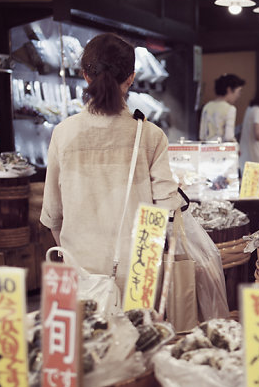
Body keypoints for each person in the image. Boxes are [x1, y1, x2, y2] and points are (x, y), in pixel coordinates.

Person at [41, 32, 180, 290]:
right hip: (140, 270)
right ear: (131, 78)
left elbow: (52, 214)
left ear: (85, 75)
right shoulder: (150, 135)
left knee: (88, 330)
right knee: (142, 330)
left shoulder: (63, 133)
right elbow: (166, 209)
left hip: (80, 270)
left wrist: (76, 255)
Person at [199, 73, 245, 141]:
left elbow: (202, 136)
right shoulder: (230, 109)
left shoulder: (207, 106)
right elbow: (229, 136)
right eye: (238, 92)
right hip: (222, 149)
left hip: (206, 148)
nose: (238, 95)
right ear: (229, 90)